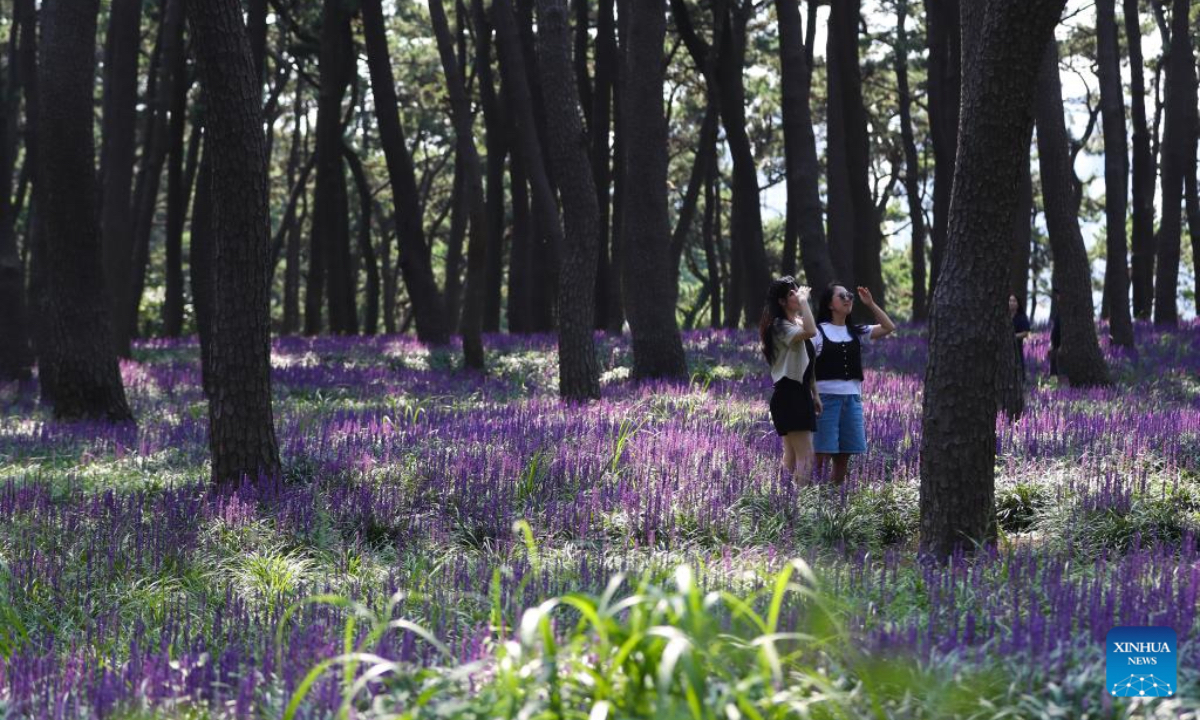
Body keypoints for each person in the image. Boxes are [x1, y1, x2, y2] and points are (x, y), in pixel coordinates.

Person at [811, 283, 895, 484]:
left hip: (852, 399)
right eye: (842, 296)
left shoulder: (857, 331)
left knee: (844, 454)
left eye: (849, 296)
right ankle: (813, 498)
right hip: (825, 399)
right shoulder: (816, 332)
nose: (848, 299)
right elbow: (809, 369)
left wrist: (871, 304)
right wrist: (813, 396)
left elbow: (888, 327)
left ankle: (834, 498)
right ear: (830, 305)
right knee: (821, 452)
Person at [760, 276, 819, 484]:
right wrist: (804, 301)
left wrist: (815, 394)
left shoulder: (795, 324)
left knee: (793, 455)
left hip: (799, 392)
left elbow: (808, 361)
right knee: (806, 455)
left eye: (798, 291)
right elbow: (811, 331)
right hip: (789, 394)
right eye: (792, 294)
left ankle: (782, 503)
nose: (798, 296)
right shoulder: (779, 326)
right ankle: (799, 507)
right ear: (782, 302)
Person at [1010, 293, 1031, 378]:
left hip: (1017, 347)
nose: (1011, 303)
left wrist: (1013, 337)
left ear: (1018, 304)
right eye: (1010, 301)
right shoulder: (1004, 316)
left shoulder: (1021, 317)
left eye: (1014, 301)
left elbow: (1026, 332)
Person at [1048, 287, 1061, 377]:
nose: (1058, 297)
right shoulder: (1059, 310)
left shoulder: (1065, 312)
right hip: (1055, 345)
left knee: (1058, 368)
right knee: (1053, 368)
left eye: (1059, 294)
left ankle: (1059, 388)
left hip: (1061, 345)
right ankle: (1053, 387)